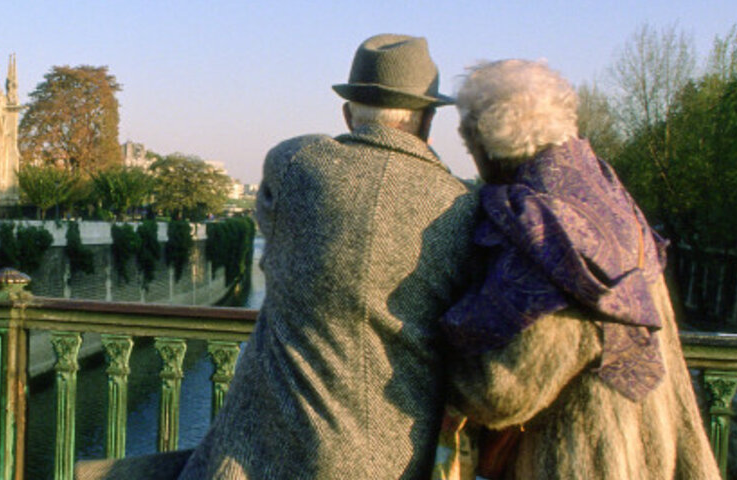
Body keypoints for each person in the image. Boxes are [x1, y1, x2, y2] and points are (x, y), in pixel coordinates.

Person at [77, 33, 479, 479]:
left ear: (347, 114)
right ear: (427, 122)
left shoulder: (295, 162)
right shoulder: (459, 207)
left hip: (252, 457)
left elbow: (274, 228)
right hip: (390, 462)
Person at [437, 59, 720, 479]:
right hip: (649, 453)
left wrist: (437, 361)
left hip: (585, 462)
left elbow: (503, 393)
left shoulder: (545, 229)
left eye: (469, 142)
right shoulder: (610, 200)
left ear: (487, 142)